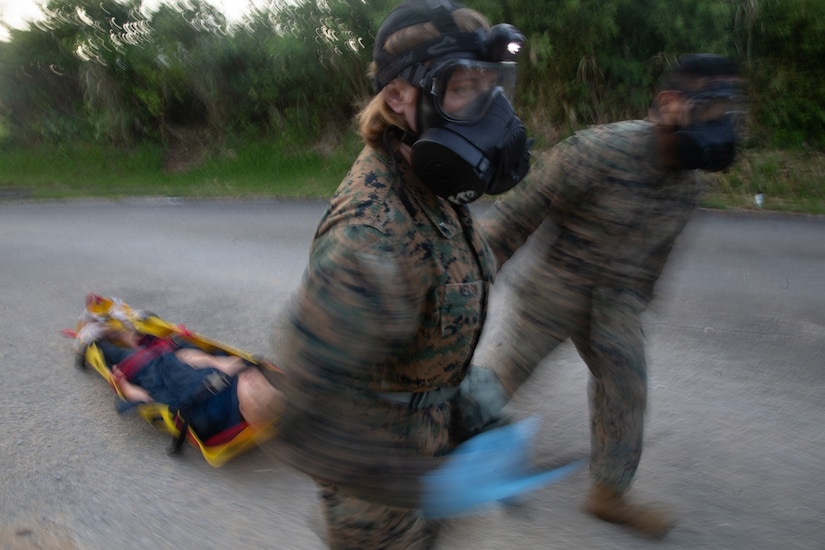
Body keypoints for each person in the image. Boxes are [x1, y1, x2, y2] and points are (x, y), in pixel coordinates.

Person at [270, 0, 533, 548]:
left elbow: (437, 299)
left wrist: (464, 400)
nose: (487, 109)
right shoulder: (373, 236)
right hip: (378, 491)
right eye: (463, 89)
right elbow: (304, 412)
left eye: (490, 86)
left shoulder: (429, 181)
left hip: (430, 447)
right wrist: (415, 486)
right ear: (399, 97)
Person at [475, 53, 748, 538]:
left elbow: (657, 258)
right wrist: (467, 280)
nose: (720, 124)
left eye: (728, 111)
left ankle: (609, 493)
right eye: (710, 109)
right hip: (556, 291)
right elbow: (514, 219)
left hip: (616, 302)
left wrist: (635, 305)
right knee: (497, 382)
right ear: (669, 104)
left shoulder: (687, 189)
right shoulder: (597, 152)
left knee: (626, 390)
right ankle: (425, 453)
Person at [95, 325, 284, 441]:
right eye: (260, 381)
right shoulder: (240, 380)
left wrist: (127, 389)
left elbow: (158, 402)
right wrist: (216, 361)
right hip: (179, 358)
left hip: (153, 372)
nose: (251, 377)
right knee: (177, 345)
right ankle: (131, 338)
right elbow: (233, 364)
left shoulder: (209, 413)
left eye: (254, 386)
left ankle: (97, 341)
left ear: (242, 409)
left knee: (124, 357)